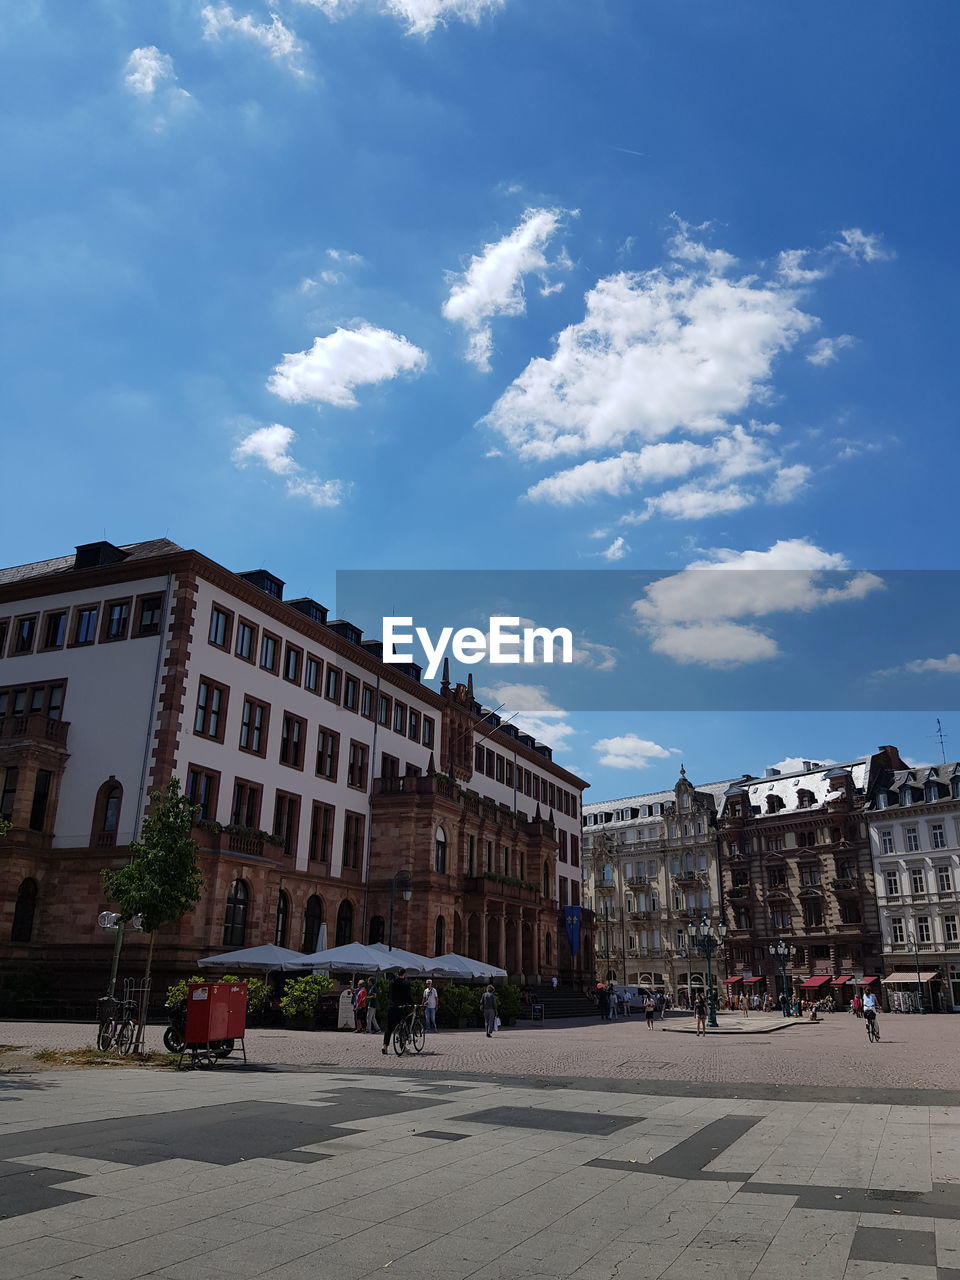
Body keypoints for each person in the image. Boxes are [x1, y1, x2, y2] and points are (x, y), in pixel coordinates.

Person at [381, 968, 413, 1054]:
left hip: (391, 1006)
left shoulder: (392, 982)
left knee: (389, 1027)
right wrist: (411, 1004)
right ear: (404, 974)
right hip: (401, 1007)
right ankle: (403, 1047)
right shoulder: (405, 983)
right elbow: (408, 996)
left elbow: (389, 994)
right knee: (402, 1026)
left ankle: (385, 1045)